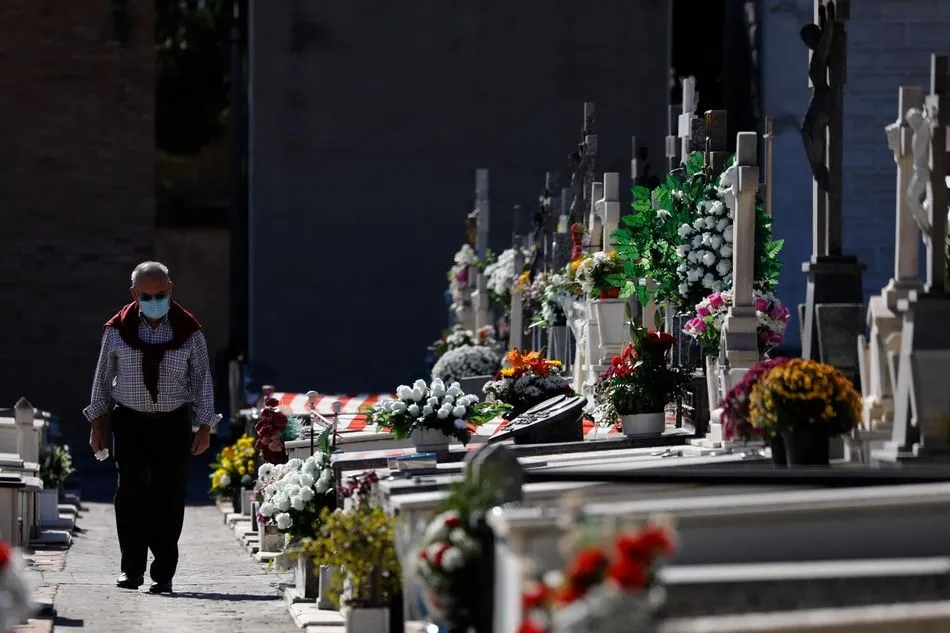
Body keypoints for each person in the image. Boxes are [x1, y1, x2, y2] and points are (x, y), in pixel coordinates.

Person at [84, 261, 219, 594]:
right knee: (130, 493)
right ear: (134, 294)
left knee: (168, 497)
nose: (155, 300)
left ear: (171, 289)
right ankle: (131, 570)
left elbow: (202, 381)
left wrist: (205, 426)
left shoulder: (190, 331)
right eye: (147, 296)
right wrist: (96, 424)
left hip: (172, 423)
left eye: (161, 294)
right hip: (130, 421)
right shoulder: (117, 329)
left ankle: (163, 574)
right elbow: (102, 378)